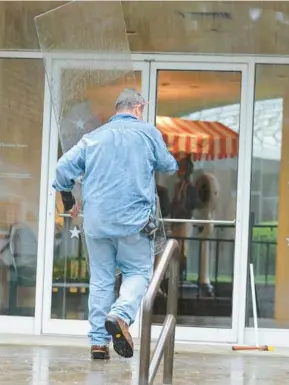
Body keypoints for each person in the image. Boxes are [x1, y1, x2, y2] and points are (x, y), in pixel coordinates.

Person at [52, 89, 178, 360]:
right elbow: (169, 166)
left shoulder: (93, 138)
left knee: (101, 281)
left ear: (117, 108)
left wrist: (67, 197)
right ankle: (120, 316)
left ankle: (99, 342)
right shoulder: (147, 133)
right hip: (134, 223)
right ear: (138, 108)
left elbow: (62, 168)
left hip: (97, 223)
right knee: (138, 274)